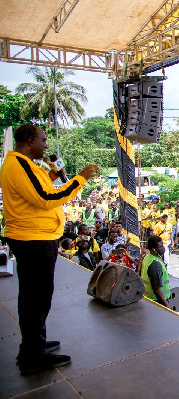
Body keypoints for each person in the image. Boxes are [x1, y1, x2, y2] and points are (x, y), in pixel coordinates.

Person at [0, 124, 98, 374]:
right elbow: (46, 199)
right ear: (31, 140)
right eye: (43, 140)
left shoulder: (23, 165)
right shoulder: (19, 165)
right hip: (33, 239)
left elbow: (36, 190)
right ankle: (33, 355)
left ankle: (34, 344)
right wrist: (80, 179)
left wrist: (54, 177)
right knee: (36, 298)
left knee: (35, 296)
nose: (46, 145)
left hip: (33, 237)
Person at [139, 235, 171, 307]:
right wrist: (166, 305)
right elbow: (156, 288)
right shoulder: (155, 264)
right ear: (154, 249)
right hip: (157, 300)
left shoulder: (148, 257)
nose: (163, 248)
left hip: (148, 298)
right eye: (160, 246)